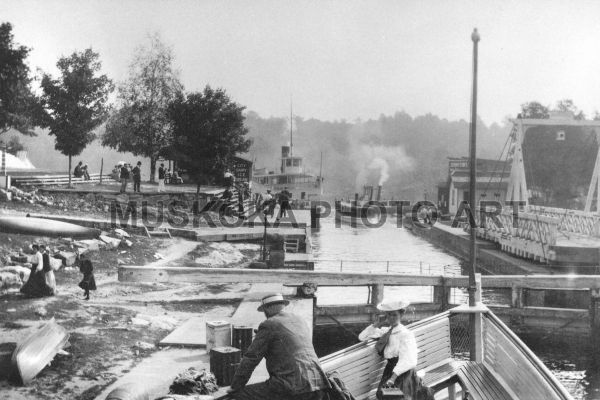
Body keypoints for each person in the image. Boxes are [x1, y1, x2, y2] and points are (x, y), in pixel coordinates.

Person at [229, 293, 329, 400]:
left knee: (241, 394)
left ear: (267, 309)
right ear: (283, 306)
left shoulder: (268, 324)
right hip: (319, 384)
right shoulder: (300, 320)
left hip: (292, 386)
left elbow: (250, 358)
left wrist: (235, 387)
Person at [358, 298, 434, 400]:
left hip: (403, 373)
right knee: (383, 394)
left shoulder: (405, 334)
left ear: (401, 315)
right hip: (390, 369)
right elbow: (362, 337)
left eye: (394, 315)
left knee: (392, 395)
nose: (391, 318)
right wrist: (377, 324)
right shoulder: (387, 331)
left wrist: (392, 378)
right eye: (389, 315)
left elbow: (408, 360)